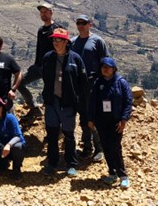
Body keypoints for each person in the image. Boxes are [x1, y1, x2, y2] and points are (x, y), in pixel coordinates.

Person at [41, 28, 88, 177]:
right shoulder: (48, 57)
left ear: (66, 42)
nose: (56, 42)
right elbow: (45, 77)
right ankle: (52, 163)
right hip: (51, 101)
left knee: (68, 134)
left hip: (68, 103)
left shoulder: (76, 59)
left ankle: (71, 164)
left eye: (59, 40)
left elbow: (83, 82)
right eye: (54, 40)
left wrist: (79, 100)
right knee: (52, 134)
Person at [88, 57, 133, 189]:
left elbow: (128, 101)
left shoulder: (121, 83)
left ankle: (123, 175)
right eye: (103, 67)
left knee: (115, 147)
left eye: (108, 67)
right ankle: (112, 173)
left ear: (114, 69)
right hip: (102, 122)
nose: (105, 69)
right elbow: (92, 102)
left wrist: (124, 119)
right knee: (106, 147)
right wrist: (91, 119)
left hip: (116, 121)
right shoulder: (98, 83)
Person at [71, 14, 109, 162]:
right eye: (78, 23)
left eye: (84, 23)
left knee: (95, 116)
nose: (81, 25)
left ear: (90, 24)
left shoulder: (97, 41)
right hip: (78, 85)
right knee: (83, 117)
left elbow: (105, 62)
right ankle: (87, 147)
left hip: (93, 83)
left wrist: (105, 82)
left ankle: (99, 148)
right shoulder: (73, 42)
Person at [17, 2, 63, 116]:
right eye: (41, 12)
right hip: (38, 66)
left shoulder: (57, 29)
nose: (43, 14)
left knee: (49, 92)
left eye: (46, 12)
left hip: (51, 67)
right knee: (20, 83)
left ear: (51, 13)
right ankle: (33, 107)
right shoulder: (41, 30)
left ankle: (52, 116)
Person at [0, 96, 26, 180]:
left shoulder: (10, 118)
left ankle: (16, 169)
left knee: (18, 147)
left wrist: (8, 145)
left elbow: (18, 136)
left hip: (11, 147)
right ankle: (0, 163)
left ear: (3, 107)